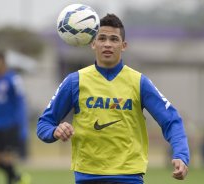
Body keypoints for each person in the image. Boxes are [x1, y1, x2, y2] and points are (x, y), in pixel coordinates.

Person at [37, 14, 189, 184]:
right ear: (93, 43)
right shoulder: (75, 81)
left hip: (129, 176)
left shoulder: (139, 82)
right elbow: (44, 124)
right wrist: (54, 131)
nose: (107, 44)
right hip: (87, 176)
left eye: (114, 39)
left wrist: (181, 155)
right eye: (102, 38)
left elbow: (171, 120)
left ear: (123, 46)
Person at [0, 50, 29, 184]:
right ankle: (17, 177)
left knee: (7, 158)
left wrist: (22, 126)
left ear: (1, 62)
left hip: (9, 125)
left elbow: (21, 102)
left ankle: (11, 180)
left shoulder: (13, 79)